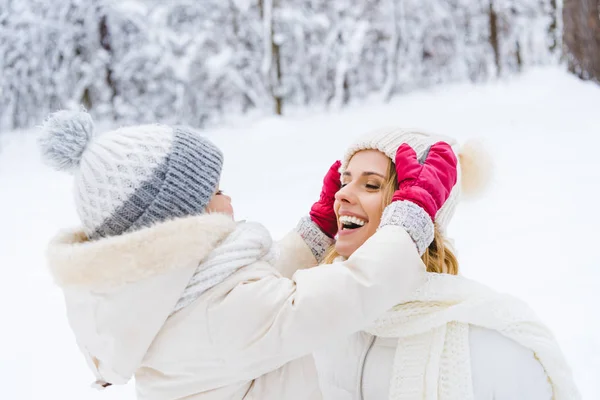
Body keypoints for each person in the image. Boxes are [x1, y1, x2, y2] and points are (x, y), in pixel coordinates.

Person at [38, 110, 457, 399]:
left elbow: (243, 285)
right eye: (216, 192)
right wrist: (410, 217)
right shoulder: (221, 317)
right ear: (183, 219)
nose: (229, 197)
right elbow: (348, 293)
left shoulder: (162, 297)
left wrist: (315, 234)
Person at [313, 127, 580, 400]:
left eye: (371, 184)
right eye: (344, 182)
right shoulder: (320, 318)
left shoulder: (492, 347)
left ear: (419, 210)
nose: (340, 196)